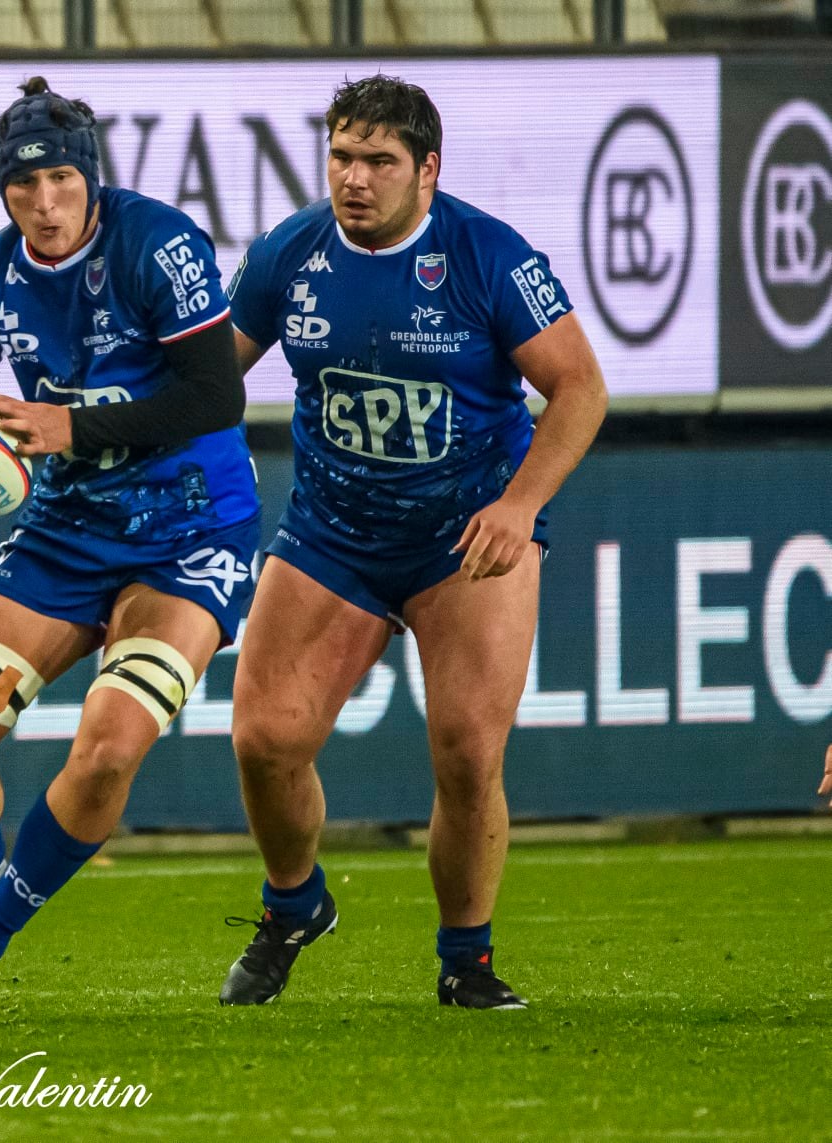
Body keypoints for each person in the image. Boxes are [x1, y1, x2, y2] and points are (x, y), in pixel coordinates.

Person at [218, 74, 609, 1009]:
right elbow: (206, 383)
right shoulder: (287, 252)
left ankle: (465, 959)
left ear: (426, 170)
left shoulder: (488, 256)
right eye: (341, 157)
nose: (354, 179)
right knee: (263, 740)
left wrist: (518, 508)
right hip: (332, 530)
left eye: (378, 162)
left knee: (468, 750)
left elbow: (581, 389)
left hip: (463, 533)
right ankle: (292, 905)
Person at [0, 77, 258, 1022]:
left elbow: (215, 396)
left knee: (104, 748)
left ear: (89, 176)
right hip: (64, 533)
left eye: (58, 179)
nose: (43, 203)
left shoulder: (158, 242)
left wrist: (67, 429)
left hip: (189, 533)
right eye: (21, 185)